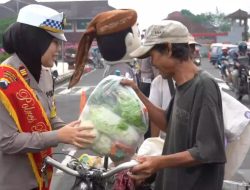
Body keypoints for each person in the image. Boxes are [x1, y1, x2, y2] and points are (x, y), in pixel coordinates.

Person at [120, 20, 226, 190]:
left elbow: (206, 150)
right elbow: (167, 123)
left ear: (169, 49)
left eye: (153, 56)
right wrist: (137, 93)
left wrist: (159, 162)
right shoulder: (181, 86)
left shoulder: (204, 86)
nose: (152, 63)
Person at [0, 4, 95, 190]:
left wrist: (72, 130)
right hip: (13, 182)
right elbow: (8, 142)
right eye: (54, 43)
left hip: (41, 178)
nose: (59, 49)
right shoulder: (4, 81)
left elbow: (49, 117)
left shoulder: (45, 75)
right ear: (36, 41)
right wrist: (59, 136)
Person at [68, 9, 141, 88]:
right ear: (129, 39)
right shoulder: (122, 72)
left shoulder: (112, 68)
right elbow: (126, 99)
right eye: (138, 34)